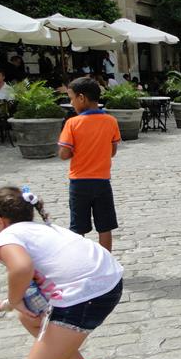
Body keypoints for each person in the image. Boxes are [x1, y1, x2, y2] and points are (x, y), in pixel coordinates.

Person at [0, 186, 147, 359]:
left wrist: (13, 299)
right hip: (108, 281)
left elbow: (21, 269)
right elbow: (32, 286)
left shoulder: (7, 236)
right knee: (30, 317)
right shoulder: (41, 229)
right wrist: (6, 304)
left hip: (87, 295)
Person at [58, 77, 121, 252]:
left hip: (79, 183)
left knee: (78, 227)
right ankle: (106, 262)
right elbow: (113, 150)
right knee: (105, 226)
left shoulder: (72, 123)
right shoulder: (111, 121)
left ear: (81, 98)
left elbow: (64, 154)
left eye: (71, 98)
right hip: (102, 181)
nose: (71, 103)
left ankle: (81, 263)